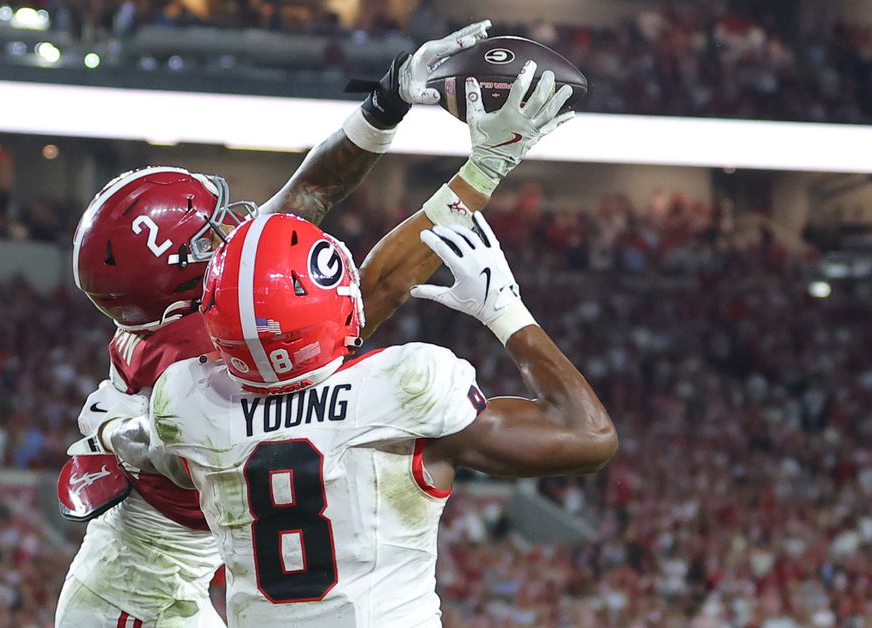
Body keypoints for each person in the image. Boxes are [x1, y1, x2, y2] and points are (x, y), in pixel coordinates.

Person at [55, 21, 541, 628]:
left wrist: (386, 101)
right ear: (180, 279)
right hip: (142, 605)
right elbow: (372, 290)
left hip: (145, 582)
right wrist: (482, 172)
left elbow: (307, 193)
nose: (232, 225)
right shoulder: (208, 345)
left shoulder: (167, 314)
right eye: (209, 235)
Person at [144, 66, 613, 626]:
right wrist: (505, 309)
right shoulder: (404, 387)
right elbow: (589, 436)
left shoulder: (185, 402)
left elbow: (311, 330)